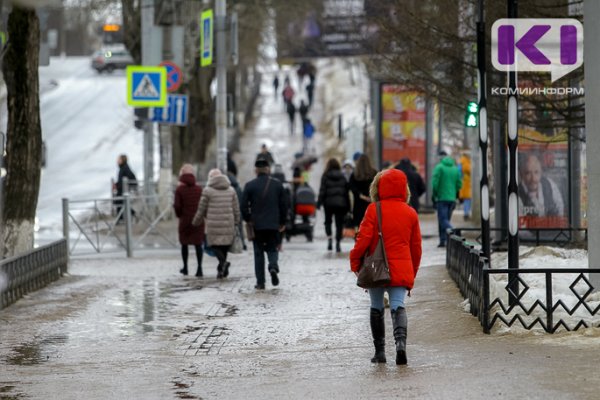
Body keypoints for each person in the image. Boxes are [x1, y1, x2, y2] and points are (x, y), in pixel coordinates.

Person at [349, 169, 422, 365]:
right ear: (404, 189)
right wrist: (411, 273)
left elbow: (363, 240)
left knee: (376, 307)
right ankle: (400, 346)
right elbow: (416, 249)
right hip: (401, 268)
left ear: (377, 188)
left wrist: (355, 261)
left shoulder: (374, 209)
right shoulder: (411, 213)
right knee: (398, 306)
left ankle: (380, 352)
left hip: (376, 268)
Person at [241, 158, 287, 290]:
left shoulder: (250, 185)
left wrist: (248, 219)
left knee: (258, 253)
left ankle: (260, 282)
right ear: (268, 169)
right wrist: (282, 222)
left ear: (256, 170)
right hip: (273, 225)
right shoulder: (277, 185)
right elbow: (284, 206)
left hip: (257, 226)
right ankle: (273, 266)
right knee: (273, 248)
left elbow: (243, 206)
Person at [192, 169, 240, 279]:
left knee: (214, 245)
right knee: (224, 247)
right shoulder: (231, 190)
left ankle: (223, 264)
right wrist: (237, 221)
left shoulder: (207, 191)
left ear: (211, 178)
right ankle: (221, 271)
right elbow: (236, 208)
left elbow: (201, 209)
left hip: (213, 224)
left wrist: (196, 221)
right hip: (228, 223)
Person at [173, 164, 204, 277]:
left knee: (184, 244)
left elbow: (177, 205)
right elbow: (203, 204)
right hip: (198, 220)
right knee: (198, 244)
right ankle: (199, 268)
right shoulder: (199, 189)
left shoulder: (179, 189)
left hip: (185, 220)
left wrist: (179, 215)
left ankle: (185, 268)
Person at [318, 158, 350, 252]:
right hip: (340, 204)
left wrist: (319, 202)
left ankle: (329, 239)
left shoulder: (325, 176)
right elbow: (346, 192)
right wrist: (348, 206)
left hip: (328, 203)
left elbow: (322, 190)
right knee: (339, 224)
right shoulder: (342, 176)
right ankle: (338, 243)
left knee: (328, 222)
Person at [518, 153, 564, 217]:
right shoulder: (517, 196)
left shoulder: (550, 184)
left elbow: (560, 208)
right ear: (522, 175)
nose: (533, 178)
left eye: (536, 172)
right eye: (528, 173)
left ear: (541, 172)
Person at [432, 151, 462, 248]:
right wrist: (454, 193)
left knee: (442, 220)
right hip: (452, 198)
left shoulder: (439, 167)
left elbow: (435, 184)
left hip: (441, 198)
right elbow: (459, 184)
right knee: (445, 219)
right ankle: (443, 240)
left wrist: (435, 195)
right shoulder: (455, 168)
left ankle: (453, 230)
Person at [349, 154, 377, 228]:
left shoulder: (355, 174)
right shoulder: (374, 172)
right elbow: (378, 186)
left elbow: (352, 187)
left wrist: (360, 195)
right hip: (371, 202)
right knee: (371, 224)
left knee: (360, 225)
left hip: (358, 203)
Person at [115, 154, 137, 222]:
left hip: (124, 190)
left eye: (119, 159)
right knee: (122, 203)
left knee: (120, 202)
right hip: (123, 189)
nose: (117, 161)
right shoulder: (123, 168)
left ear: (122, 160)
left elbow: (128, 179)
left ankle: (120, 219)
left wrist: (127, 188)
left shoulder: (125, 168)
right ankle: (122, 218)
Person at [457, 151, 472, 220]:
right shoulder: (467, 162)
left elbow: (459, 172)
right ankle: (466, 213)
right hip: (467, 183)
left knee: (467, 199)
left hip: (465, 183)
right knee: (467, 198)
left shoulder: (461, 162)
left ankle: (466, 213)